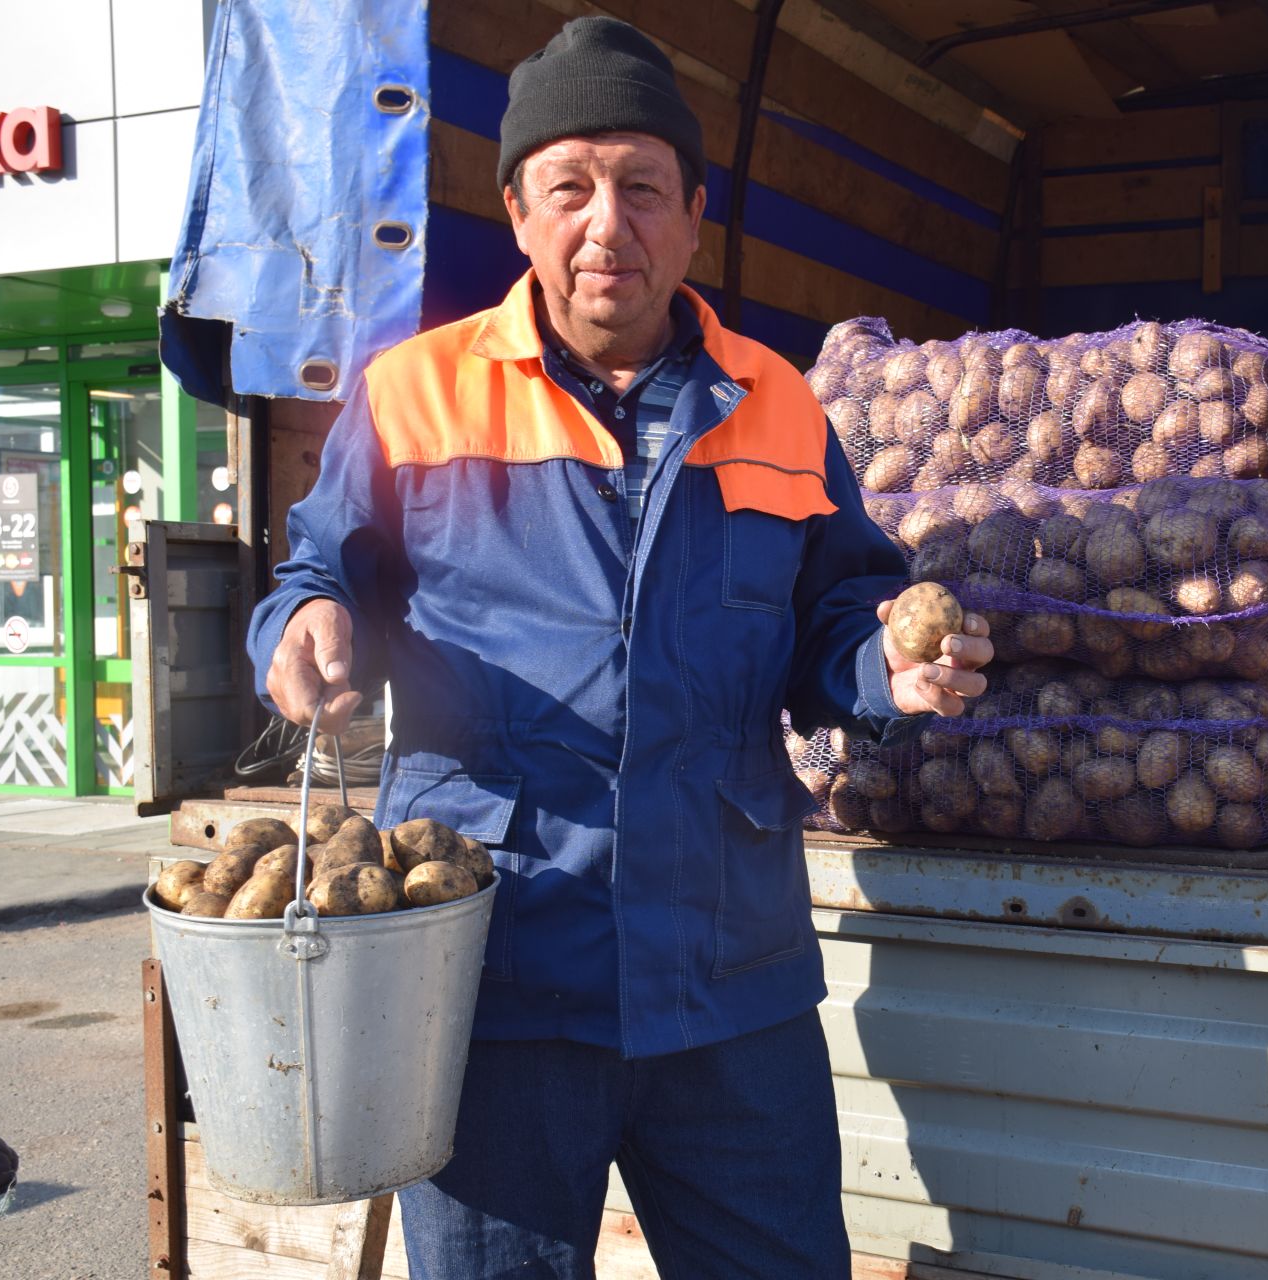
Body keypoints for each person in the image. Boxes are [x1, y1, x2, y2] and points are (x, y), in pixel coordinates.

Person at [247, 17, 992, 1278]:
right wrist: (301, 627)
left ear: (693, 212)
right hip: (492, 975)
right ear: (520, 214)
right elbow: (318, 573)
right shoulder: (411, 393)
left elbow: (836, 616)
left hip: (727, 977)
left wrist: (886, 670)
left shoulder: (780, 399)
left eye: (643, 186)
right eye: (571, 187)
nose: (609, 223)